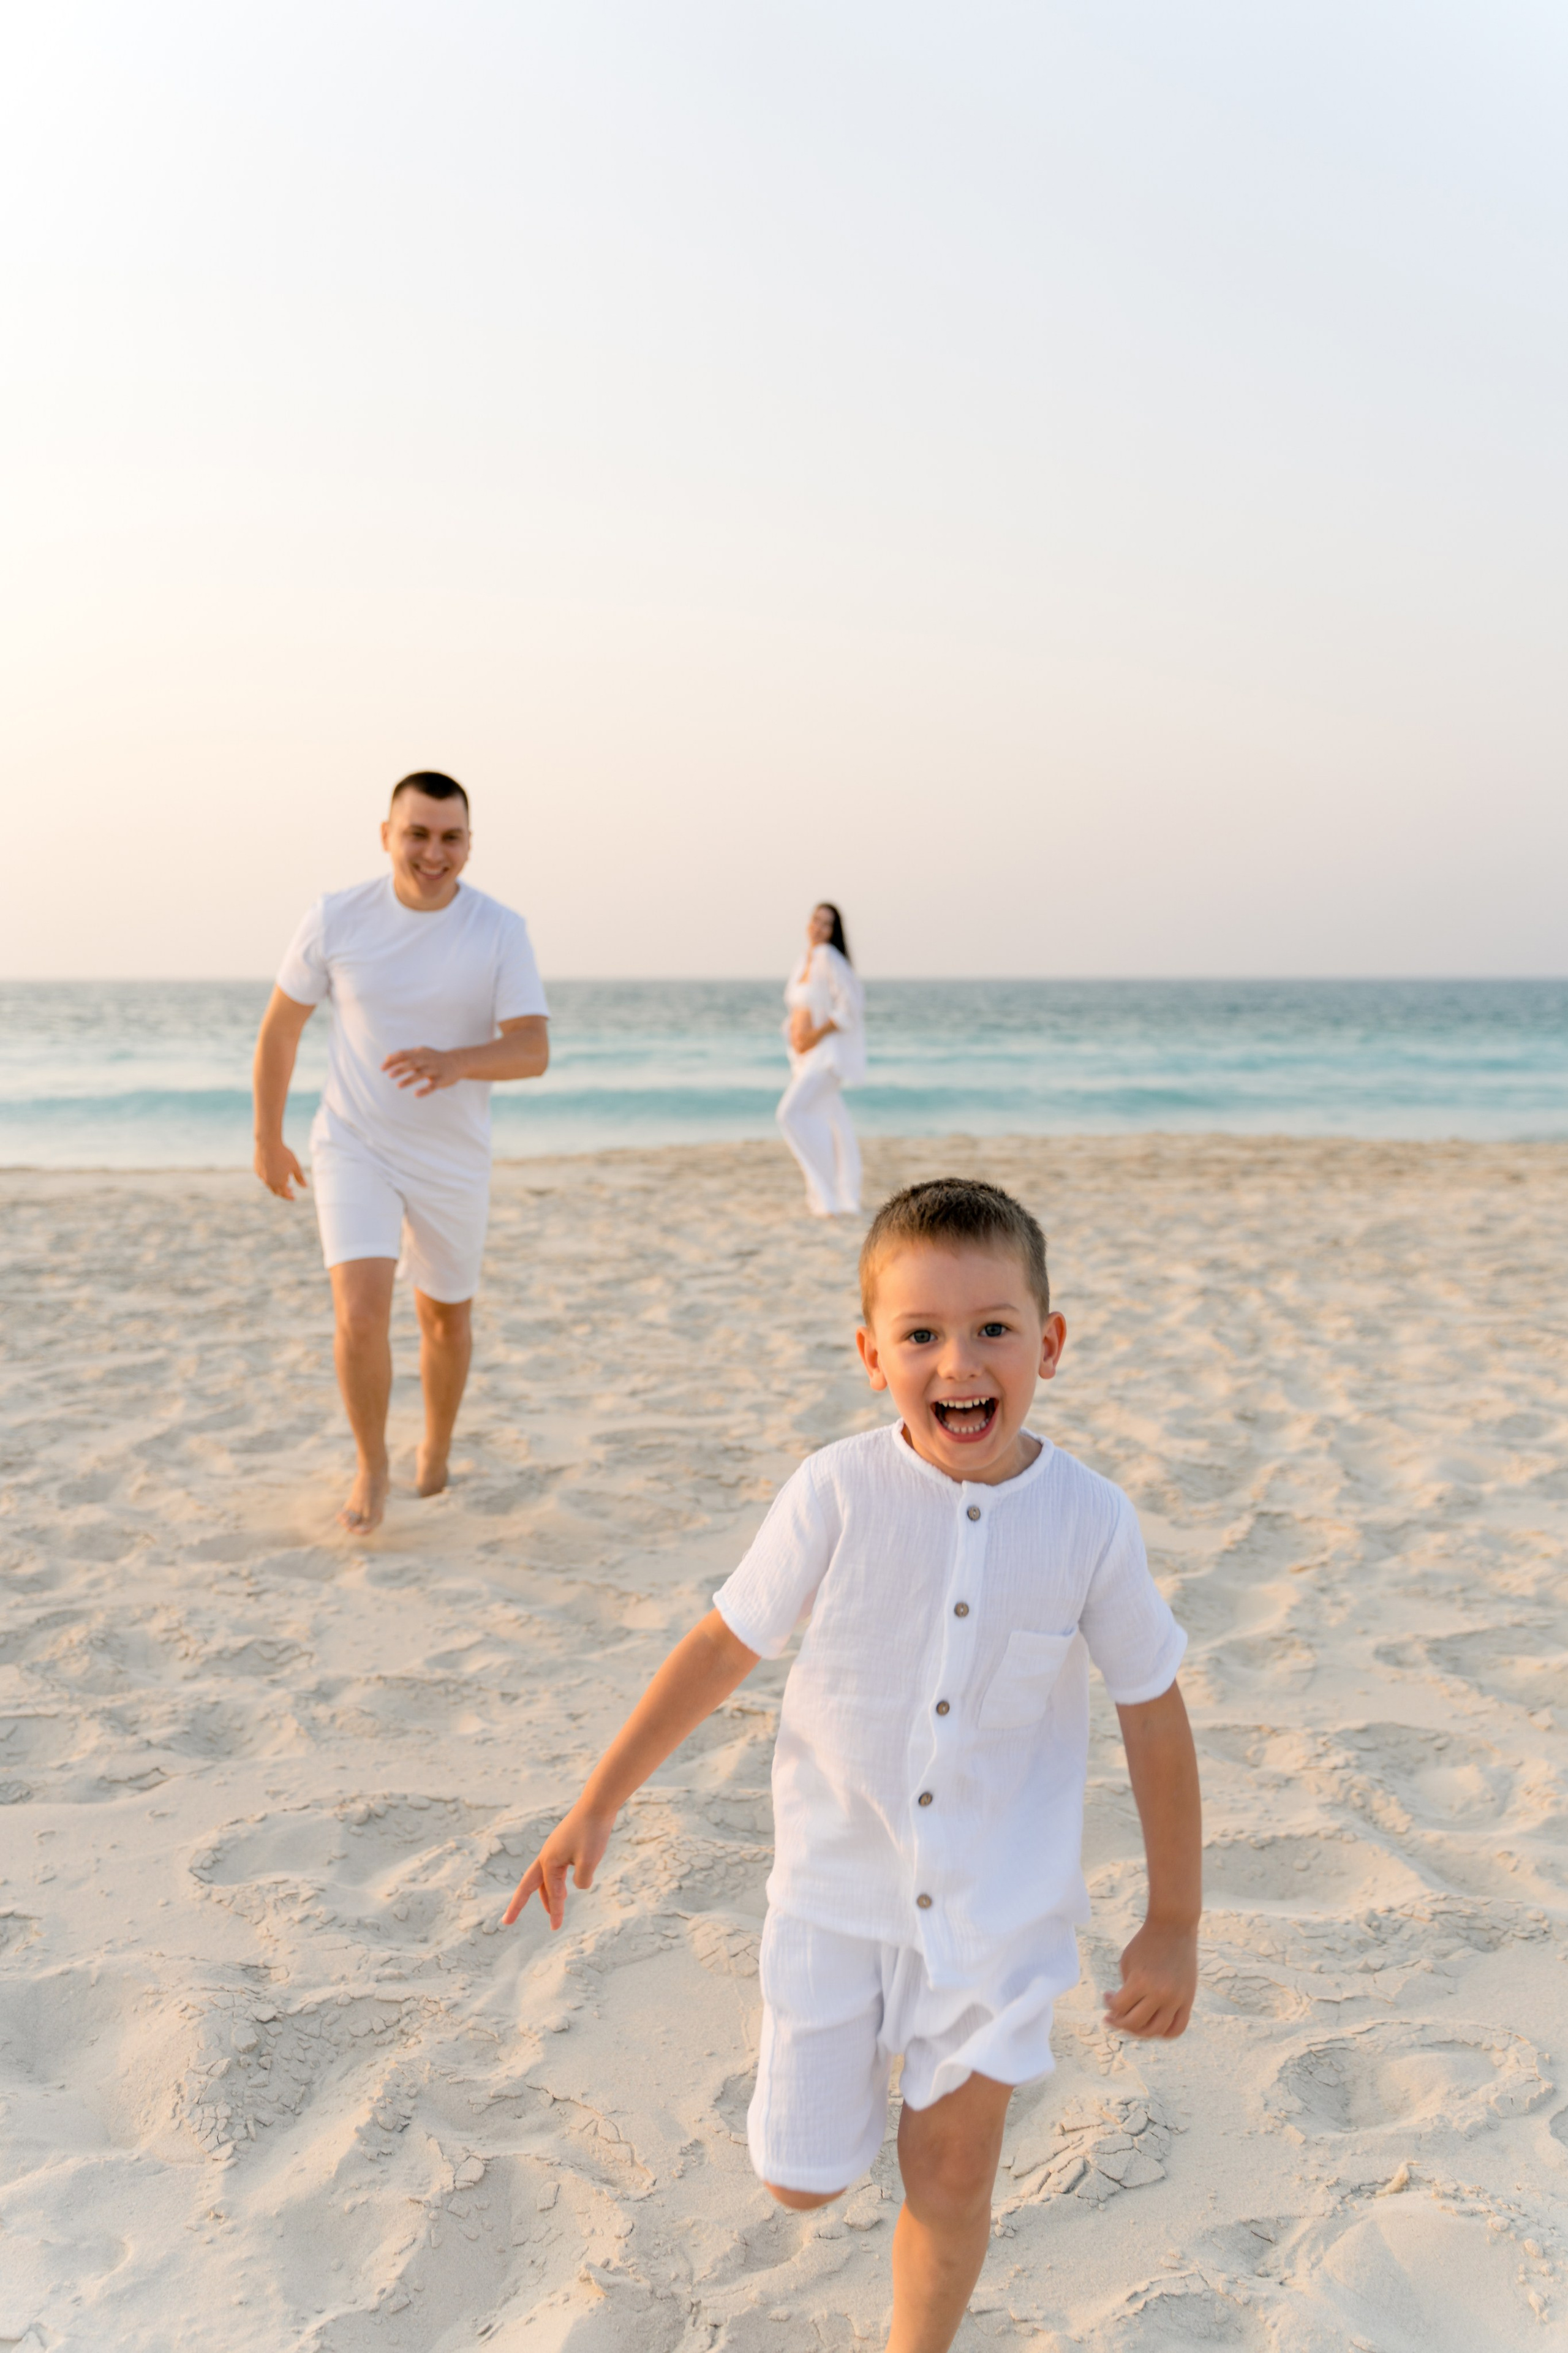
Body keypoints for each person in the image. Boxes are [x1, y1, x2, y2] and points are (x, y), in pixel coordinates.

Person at [503, 1176, 1200, 2353]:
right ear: (873, 1355)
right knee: (802, 2181)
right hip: (835, 1897)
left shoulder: (1092, 1519)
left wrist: (1173, 1917)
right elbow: (722, 1644)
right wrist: (595, 1806)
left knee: (950, 2174)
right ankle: (833, 2095)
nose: (958, 1362)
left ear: (1051, 1343)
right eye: (920, 1334)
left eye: (993, 1329)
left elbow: (1152, 1711)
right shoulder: (834, 1490)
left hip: (1000, 1913)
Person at [251, 772, 550, 1535]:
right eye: (417, 833)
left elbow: (532, 1049)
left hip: (452, 1158)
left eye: (450, 837)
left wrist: (456, 1062)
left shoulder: (498, 930)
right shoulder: (335, 918)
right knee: (359, 1312)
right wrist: (268, 1135)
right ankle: (371, 1467)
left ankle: (437, 1449)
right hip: (353, 1143)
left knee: (445, 1318)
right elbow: (281, 1028)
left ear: (469, 846)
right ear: (386, 834)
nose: (432, 851)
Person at [777, 901, 866, 1218]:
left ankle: (827, 1195)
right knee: (829, 1124)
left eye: (827, 924)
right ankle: (832, 1196)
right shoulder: (804, 959)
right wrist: (795, 1037)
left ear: (834, 931)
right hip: (805, 1059)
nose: (819, 928)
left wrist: (815, 1035)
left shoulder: (830, 958)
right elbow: (797, 1008)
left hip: (826, 1057)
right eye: (816, 921)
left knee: (789, 1114)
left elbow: (851, 1006)